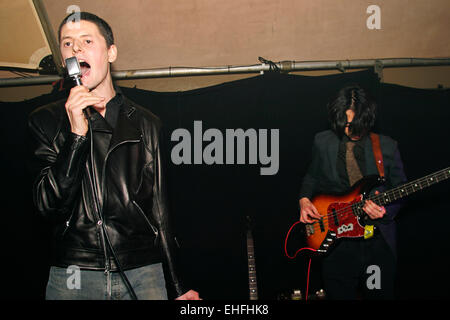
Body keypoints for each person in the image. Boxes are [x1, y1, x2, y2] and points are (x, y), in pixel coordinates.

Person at [27, 11, 200, 300]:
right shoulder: (45, 121)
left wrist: (177, 285)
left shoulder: (147, 123)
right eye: (67, 44)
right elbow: (48, 207)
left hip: (142, 271)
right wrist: (76, 136)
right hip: (74, 273)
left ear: (111, 52)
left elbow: (160, 211)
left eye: (86, 41)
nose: (76, 48)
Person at [298, 84, 407, 300]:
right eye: (347, 125)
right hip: (337, 242)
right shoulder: (323, 142)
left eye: (358, 124)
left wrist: (385, 211)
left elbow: (402, 189)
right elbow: (312, 176)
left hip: (375, 241)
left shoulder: (386, 146)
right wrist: (303, 199)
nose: (352, 131)